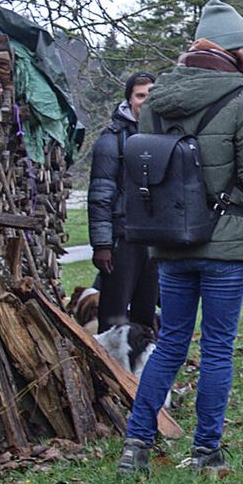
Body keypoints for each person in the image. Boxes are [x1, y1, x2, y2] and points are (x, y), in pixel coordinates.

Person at [117, 0, 243, 474]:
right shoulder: (242, 100)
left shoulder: (156, 104)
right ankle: (206, 451)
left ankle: (135, 447)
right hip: (223, 244)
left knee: (170, 345)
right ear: (234, 52)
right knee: (217, 348)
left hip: (171, 243)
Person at [88, 71, 159, 332]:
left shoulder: (165, 135)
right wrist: (102, 245)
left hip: (154, 240)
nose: (145, 100)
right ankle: (107, 369)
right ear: (129, 100)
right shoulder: (111, 140)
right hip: (123, 239)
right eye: (140, 95)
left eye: (151, 94)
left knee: (146, 315)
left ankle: (141, 370)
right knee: (114, 317)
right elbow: (99, 197)